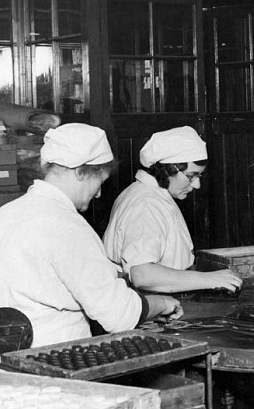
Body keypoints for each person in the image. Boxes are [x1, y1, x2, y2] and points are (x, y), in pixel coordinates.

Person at [0, 123, 180, 369]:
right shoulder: (69, 227)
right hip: (43, 366)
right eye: (100, 182)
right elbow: (119, 316)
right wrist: (163, 304)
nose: (97, 195)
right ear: (81, 173)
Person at [103, 126, 242, 294]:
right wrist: (210, 279)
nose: (197, 185)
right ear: (168, 169)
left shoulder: (151, 194)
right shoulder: (146, 204)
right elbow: (142, 275)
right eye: (191, 176)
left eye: (199, 176)